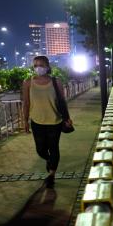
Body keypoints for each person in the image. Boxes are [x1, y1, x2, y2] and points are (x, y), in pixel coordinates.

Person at [22, 56, 73, 188]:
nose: (38, 67)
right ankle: (50, 161)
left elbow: (62, 101)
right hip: (37, 121)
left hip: (55, 121)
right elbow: (26, 103)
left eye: (41, 65)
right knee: (40, 149)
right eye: (36, 65)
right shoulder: (28, 82)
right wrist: (25, 121)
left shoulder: (56, 82)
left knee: (54, 148)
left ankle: (51, 175)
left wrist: (67, 118)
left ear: (47, 66)